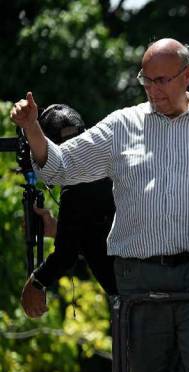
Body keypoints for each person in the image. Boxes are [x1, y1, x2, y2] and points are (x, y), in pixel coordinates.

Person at [10, 38, 189, 372]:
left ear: (187, 76)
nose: (153, 90)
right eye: (146, 80)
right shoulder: (122, 125)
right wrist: (32, 129)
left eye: (162, 80)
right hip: (138, 279)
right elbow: (61, 168)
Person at [20, 104, 116, 319]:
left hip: (132, 298)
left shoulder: (76, 186)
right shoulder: (106, 169)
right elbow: (99, 237)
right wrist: (57, 229)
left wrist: (36, 282)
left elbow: (66, 255)